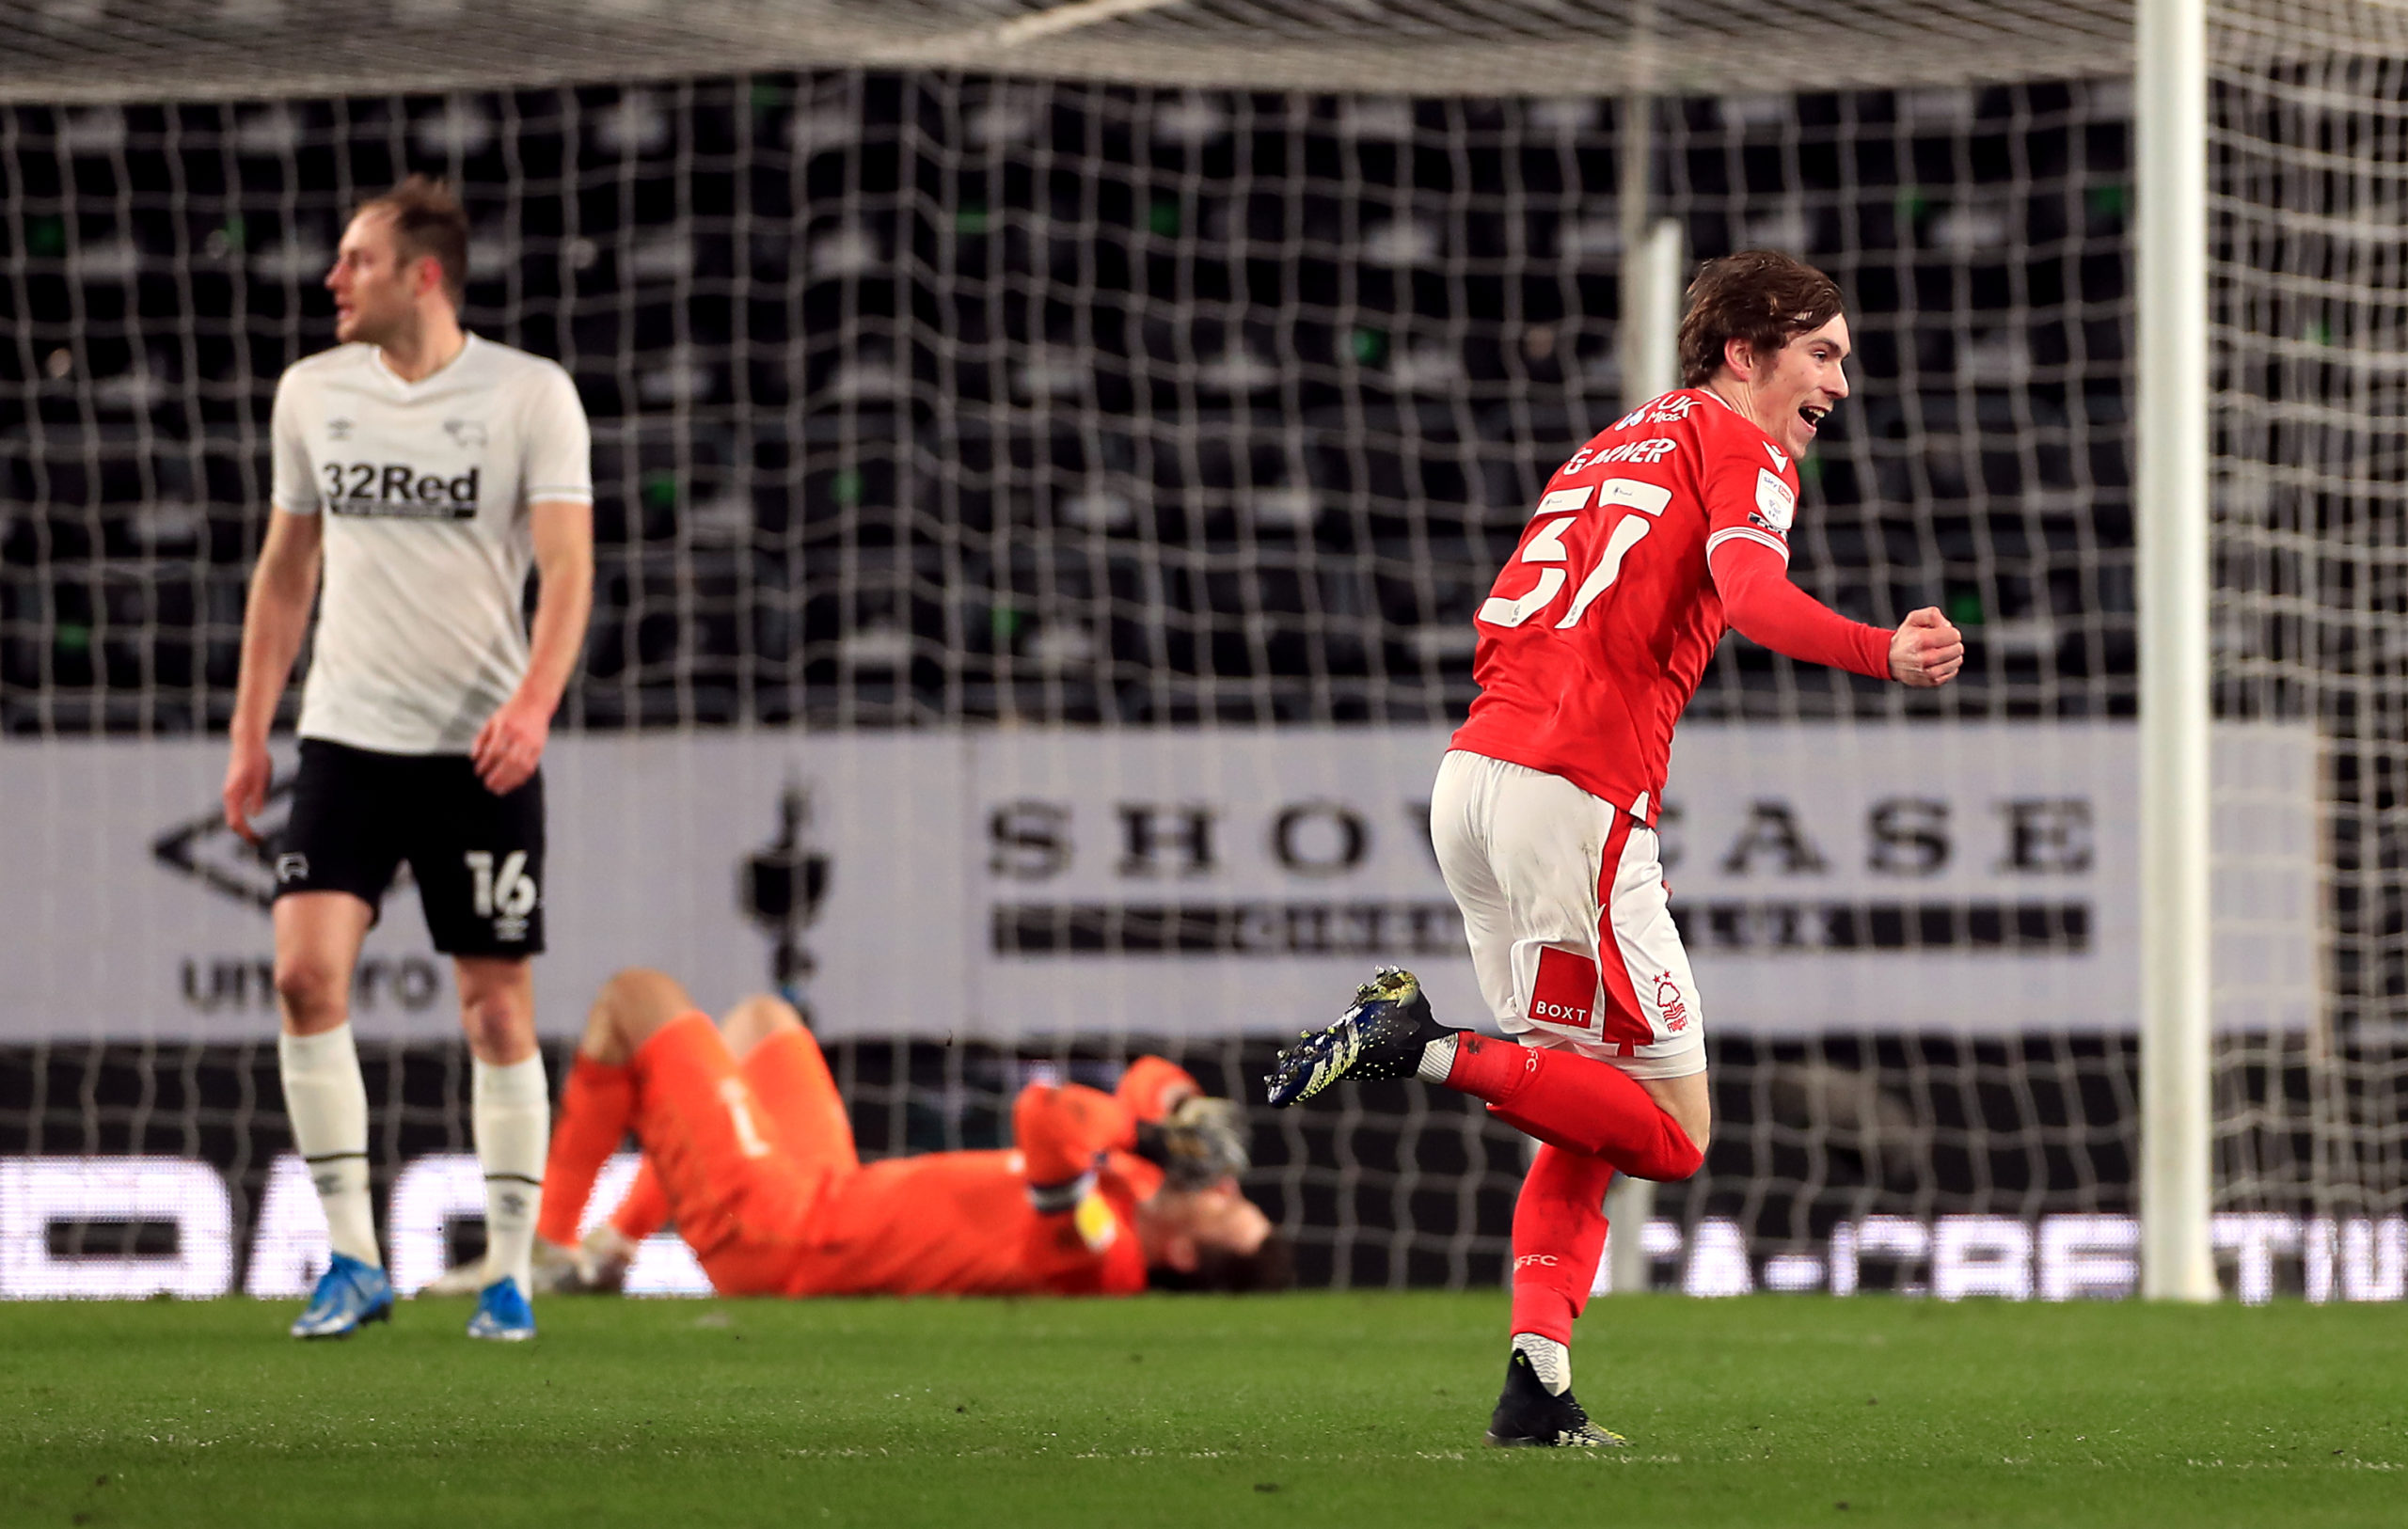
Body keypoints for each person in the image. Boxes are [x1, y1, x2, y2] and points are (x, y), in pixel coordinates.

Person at [1269, 251, 1963, 1445]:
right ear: (1746, 355)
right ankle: (1416, 1043)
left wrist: (1600, 820)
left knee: (1584, 1102)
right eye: (1823, 355)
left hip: (1479, 779)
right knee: (1676, 1131)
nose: (1840, 384)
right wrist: (1878, 653)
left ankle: (1533, 1382)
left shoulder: (1609, 443)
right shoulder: (1740, 444)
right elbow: (1746, 597)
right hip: (1567, 791)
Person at [223, 176, 595, 1342]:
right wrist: (250, 731)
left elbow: (569, 569)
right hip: (345, 739)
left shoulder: (529, 395)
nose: (334, 281)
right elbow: (287, 573)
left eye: (356, 261)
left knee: (494, 1014)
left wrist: (533, 708)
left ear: (421, 275)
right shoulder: (313, 393)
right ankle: (351, 1259)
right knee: (301, 977)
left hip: (478, 751)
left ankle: (509, 1277)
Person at [527, 969, 1291, 1300]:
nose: (1222, 1187)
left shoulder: (1103, 1258)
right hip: (829, 1195)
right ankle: (614, 1251)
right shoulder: (1148, 1198)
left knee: (637, 997)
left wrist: (1149, 1135)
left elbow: (1044, 1117)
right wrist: (1184, 1107)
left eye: (1227, 1206)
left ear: (1187, 1252)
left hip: (784, 1237)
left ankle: (550, 1248)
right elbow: (1147, 1079)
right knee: (762, 1021)